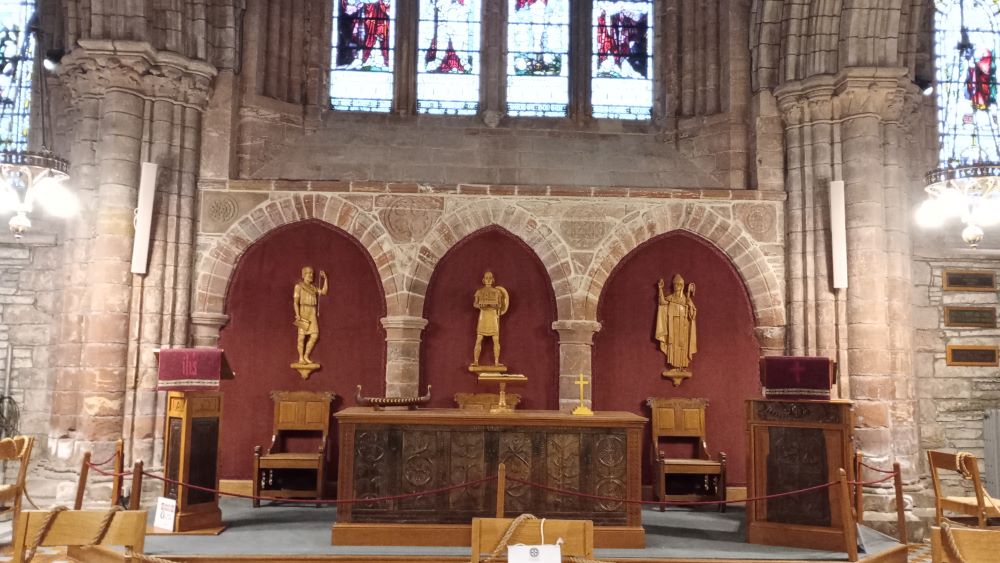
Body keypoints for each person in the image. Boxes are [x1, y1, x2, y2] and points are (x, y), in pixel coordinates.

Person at [655, 274, 697, 370]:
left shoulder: (687, 300)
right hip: (672, 326)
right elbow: (662, 303)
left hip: (683, 326)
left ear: (682, 286)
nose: (677, 286)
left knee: (683, 345)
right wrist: (660, 289)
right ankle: (674, 365)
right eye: (675, 284)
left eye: (679, 284)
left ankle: (682, 365)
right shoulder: (670, 298)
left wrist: (690, 308)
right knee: (673, 344)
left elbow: (693, 314)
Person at [472, 271, 509, 367]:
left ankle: (496, 362)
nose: (488, 280)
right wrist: (481, 305)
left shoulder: (497, 292)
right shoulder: (479, 292)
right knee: (479, 339)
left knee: (496, 339)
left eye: (490, 278)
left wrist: (494, 305)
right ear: (483, 280)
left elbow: (500, 305)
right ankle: (476, 361)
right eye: (486, 278)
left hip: (493, 316)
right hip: (483, 316)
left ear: (493, 280)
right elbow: (475, 304)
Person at [293, 266, 328, 365]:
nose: (311, 275)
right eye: (309, 273)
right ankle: (300, 357)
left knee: (314, 335)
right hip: (303, 311)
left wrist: (325, 279)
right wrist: (297, 314)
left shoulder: (313, 288)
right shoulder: (298, 286)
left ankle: (306, 356)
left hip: (312, 312)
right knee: (301, 337)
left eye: (312, 273)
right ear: (304, 275)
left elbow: (324, 292)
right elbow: (295, 302)